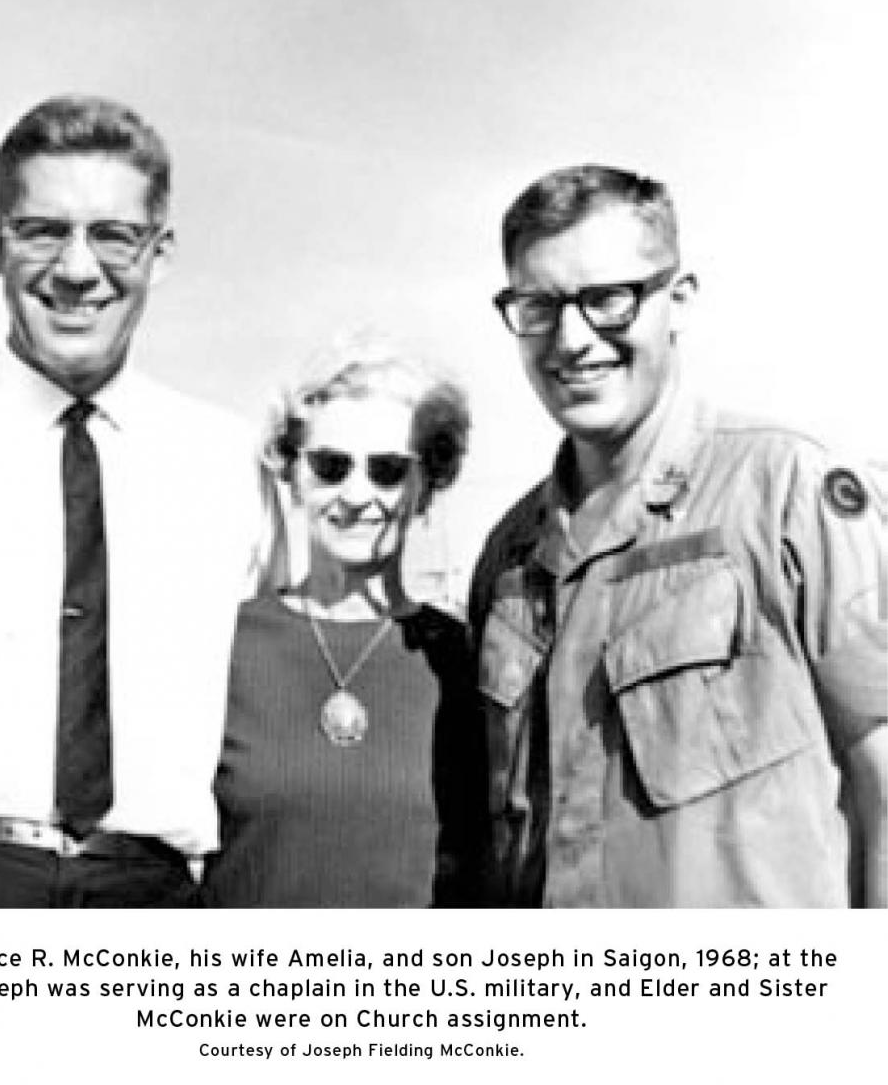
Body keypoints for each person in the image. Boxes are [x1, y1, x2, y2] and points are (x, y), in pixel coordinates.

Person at [0, 94, 262, 906]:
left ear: (161, 252)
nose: (77, 270)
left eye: (113, 234)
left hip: (145, 902)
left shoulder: (231, 468)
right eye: (43, 231)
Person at [470, 164, 887, 907]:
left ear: (679, 300)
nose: (572, 339)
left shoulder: (786, 490)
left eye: (607, 298)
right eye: (539, 305)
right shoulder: (508, 559)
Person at [201, 338, 486, 907]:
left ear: (428, 486)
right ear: (292, 475)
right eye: (330, 467)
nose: (356, 495)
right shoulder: (224, 643)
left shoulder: (462, 659)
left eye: (387, 471)